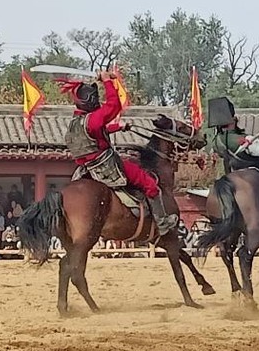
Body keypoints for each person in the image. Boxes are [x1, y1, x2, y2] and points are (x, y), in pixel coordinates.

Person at [61, 70, 176, 236]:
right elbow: (114, 105)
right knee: (149, 182)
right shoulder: (93, 119)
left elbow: (94, 133)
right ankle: (162, 222)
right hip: (106, 165)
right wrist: (107, 82)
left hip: (85, 168)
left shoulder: (76, 122)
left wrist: (118, 127)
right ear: (91, 101)